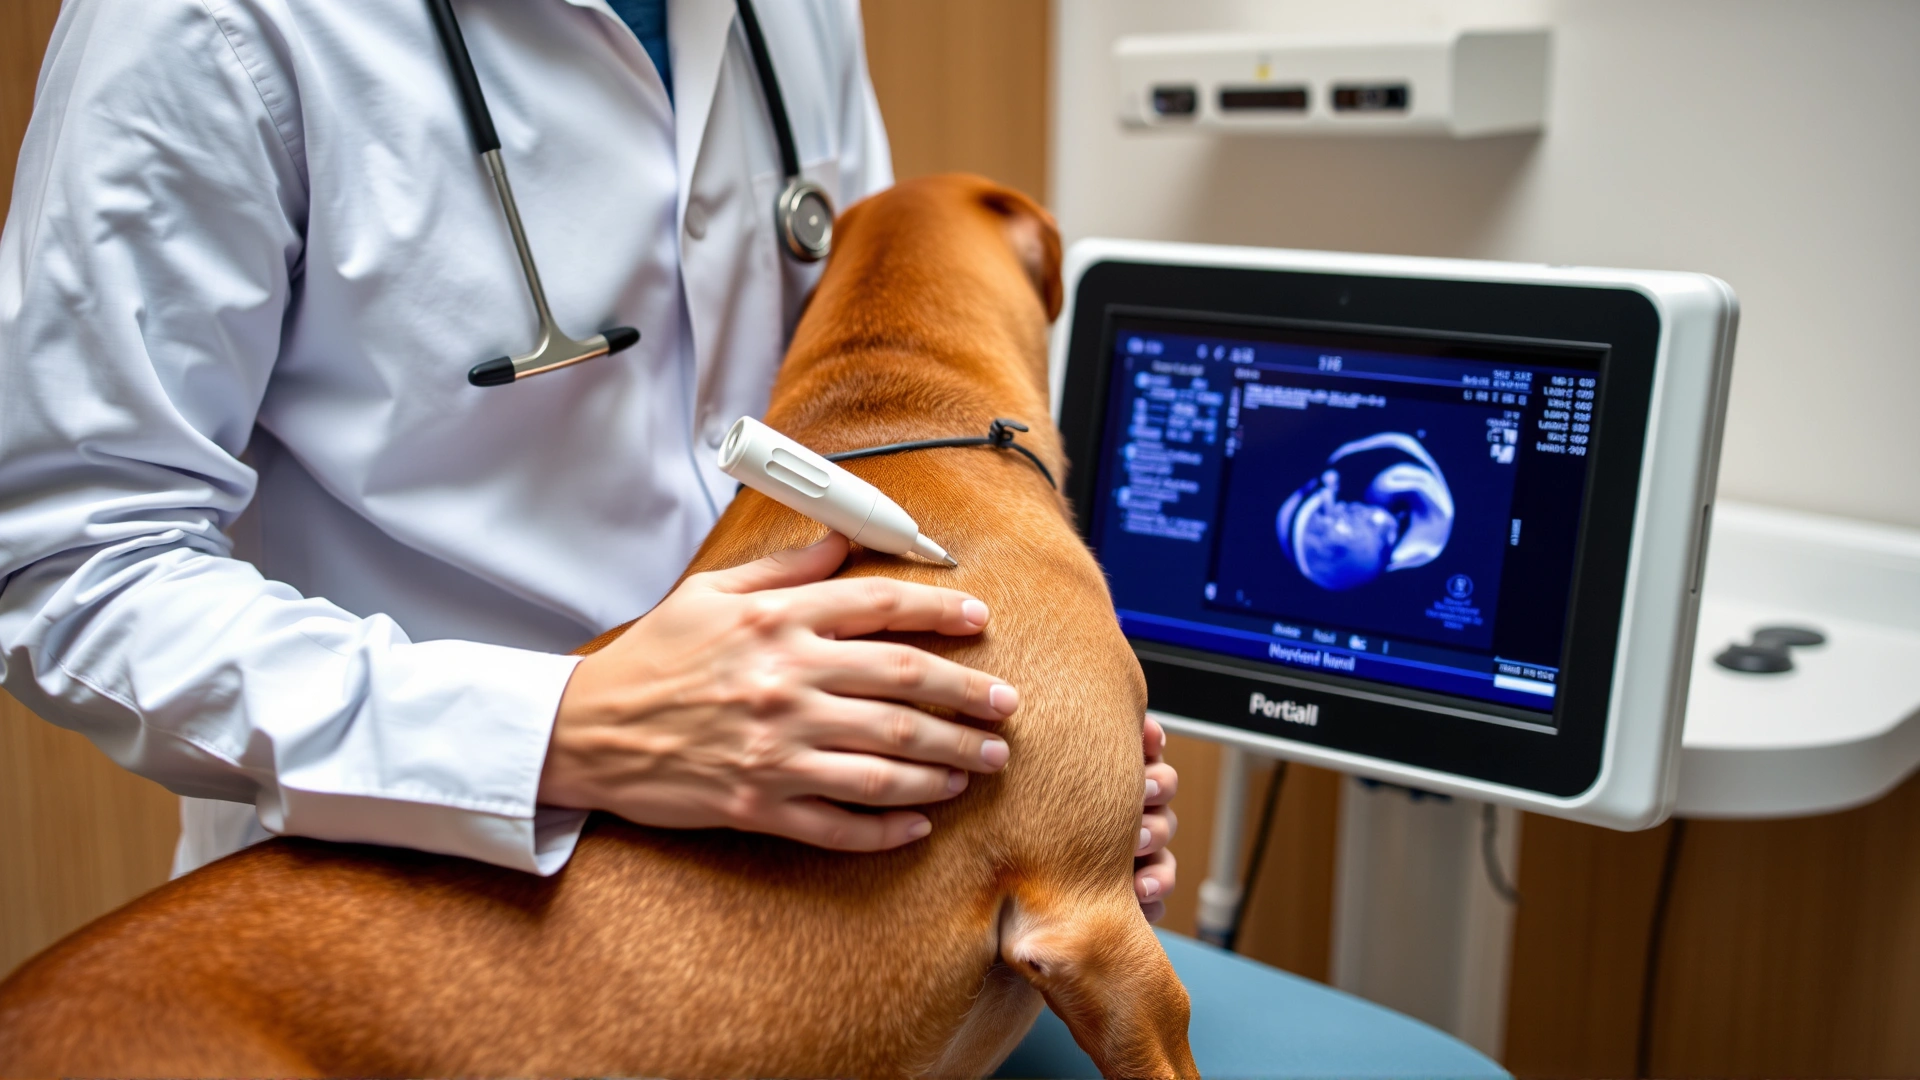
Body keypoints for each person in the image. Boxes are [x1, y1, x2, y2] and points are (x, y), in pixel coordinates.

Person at [0, 0, 1178, 917]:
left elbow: (850, 421)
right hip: (390, 903)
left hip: (782, 883)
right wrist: (559, 729)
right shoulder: (204, 27)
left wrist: (1022, 756)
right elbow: (75, 563)